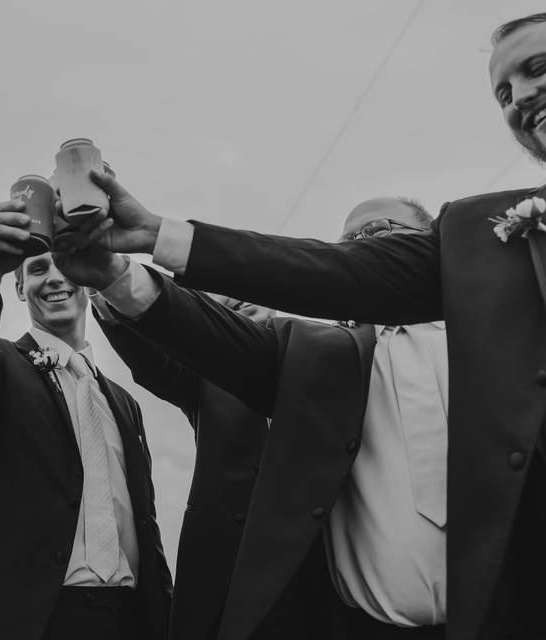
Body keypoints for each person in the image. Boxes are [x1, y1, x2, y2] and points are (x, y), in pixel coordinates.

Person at [62, 12, 546, 639]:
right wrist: (143, 245)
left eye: (535, 70)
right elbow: (247, 311)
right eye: (503, 91)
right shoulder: (319, 351)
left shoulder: (502, 298)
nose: (521, 98)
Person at [73, 197, 448, 639]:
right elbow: (177, 342)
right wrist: (110, 278)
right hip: (255, 587)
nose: (361, 246)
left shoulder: (492, 335)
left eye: (380, 229)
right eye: (348, 241)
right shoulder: (298, 357)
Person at [0, 199, 172, 640]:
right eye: (37, 269)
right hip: (36, 617)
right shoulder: (0, 362)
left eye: (64, 266)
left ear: (87, 279)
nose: (54, 278)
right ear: (19, 288)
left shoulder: (122, 402)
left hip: (130, 617)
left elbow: (144, 520)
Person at [92, 293, 270, 640]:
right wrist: (105, 292)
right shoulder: (207, 378)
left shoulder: (318, 361)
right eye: (221, 288)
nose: (238, 293)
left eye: (248, 281)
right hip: (231, 583)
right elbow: (149, 358)